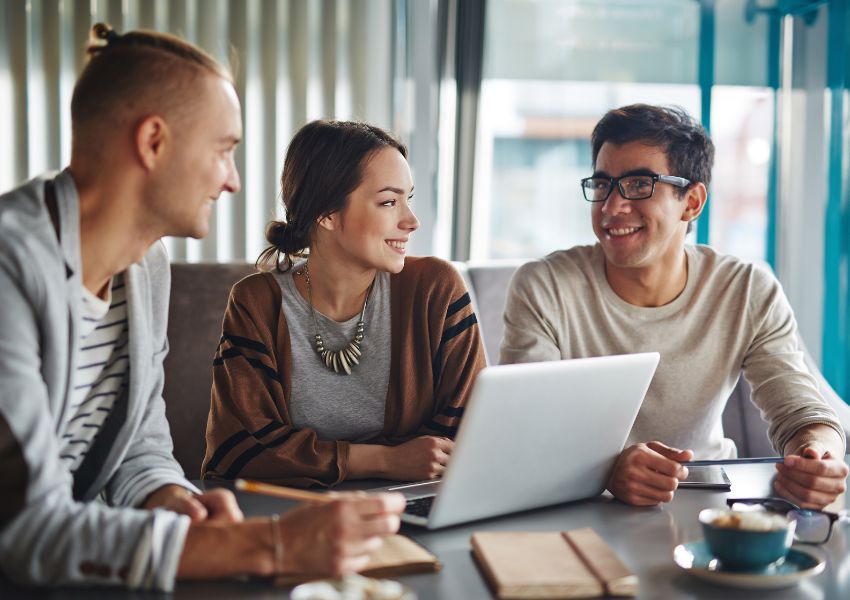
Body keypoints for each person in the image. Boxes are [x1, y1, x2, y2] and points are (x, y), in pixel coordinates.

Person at [0, 24, 403, 591]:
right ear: (153, 142)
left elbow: (139, 446)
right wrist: (272, 544)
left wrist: (171, 498)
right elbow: (22, 528)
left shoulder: (145, 266)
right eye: (224, 151)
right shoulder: (10, 268)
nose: (233, 181)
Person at [501, 103, 848, 509]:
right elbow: (524, 432)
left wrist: (817, 455)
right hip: (583, 504)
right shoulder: (544, 287)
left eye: (638, 185)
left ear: (693, 202)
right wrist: (605, 469)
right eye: (602, 185)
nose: (612, 208)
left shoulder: (745, 289)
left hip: (713, 503)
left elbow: (800, 410)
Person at [202, 120, 486, 486]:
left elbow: (468, 434)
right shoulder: (256, 303)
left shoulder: (435, 289)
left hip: (412, 501)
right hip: (297, 513)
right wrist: (387, 459)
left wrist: (304, 456)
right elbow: (239, 450)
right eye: (388, 202)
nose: (411, 221)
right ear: (327, 214)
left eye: (408, 199)